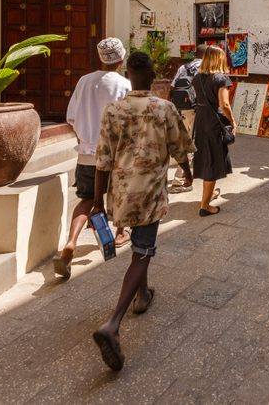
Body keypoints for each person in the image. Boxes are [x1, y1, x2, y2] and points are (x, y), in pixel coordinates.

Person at [90, 52, 194, 371]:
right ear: (150, 76)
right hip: (149, 194)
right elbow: (180, 149)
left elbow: (102, 160)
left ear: (129, 74)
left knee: (139, 246)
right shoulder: (164, 109)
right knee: (142, 251)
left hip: (121, 192)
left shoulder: (113, 110)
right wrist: (188, 174)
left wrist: (97, 201)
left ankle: (142, 296)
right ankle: (113, 323)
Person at [54, 38, 132, 279]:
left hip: (87, 152)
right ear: (121, 59)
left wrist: (83, 139)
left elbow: (72, 116)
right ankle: (120, 234)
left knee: (86, 199)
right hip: (116, 154)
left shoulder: (84, 81)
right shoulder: (124, 84)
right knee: (121, 197)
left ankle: (71, 242)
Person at [192, 47, 236, 216]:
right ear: (219, 59)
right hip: (214, 121)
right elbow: (224, 104)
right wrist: (232, 121)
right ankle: (205, 205)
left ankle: (210, 193)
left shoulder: (197, 77)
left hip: (201, 118)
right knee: (213, 158)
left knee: (206, 155)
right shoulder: (221, 78)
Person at [169, 44, 209, 192]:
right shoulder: (206, 68)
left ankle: (199, 174)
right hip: (199, 110)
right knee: (191, 145)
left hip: (184, 110)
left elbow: (172, 88)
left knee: (188, 141)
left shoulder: (183, 68)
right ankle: (178, 181)